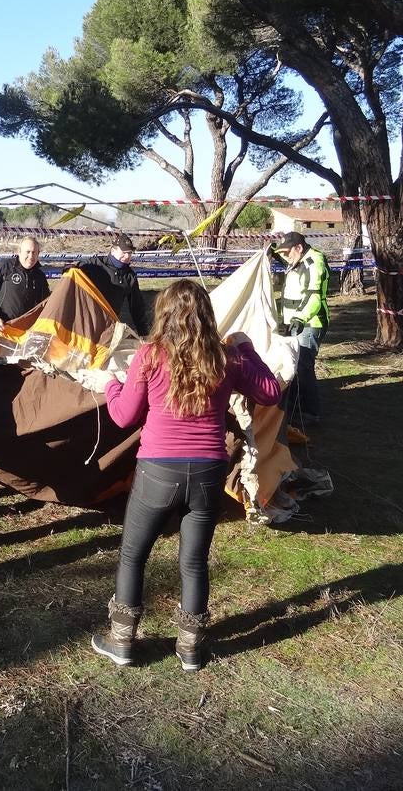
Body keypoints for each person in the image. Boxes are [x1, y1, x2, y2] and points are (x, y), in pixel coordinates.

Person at [87, 279, 280, 671]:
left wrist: (110, 384)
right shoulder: (227, 358)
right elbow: (271, 392)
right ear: (207, 315)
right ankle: (190, 648)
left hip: (158, 469)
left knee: (133, 554)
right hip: (208, 471)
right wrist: (246, 347)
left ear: (164, 314)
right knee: (194, 562)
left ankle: (122, 639)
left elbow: (123, 415)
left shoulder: (150, 355)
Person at [270, 231, 329, 427]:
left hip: (310, 323)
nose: (286, 257)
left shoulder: (314, 262)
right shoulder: (298, 259)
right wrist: (273, 252)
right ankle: (296, 407)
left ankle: (311, 412)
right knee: (293, 365)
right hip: (294, 321)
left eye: (288, 252)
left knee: (303, 367)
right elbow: (288, 263)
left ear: (298, 248)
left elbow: (313, 296)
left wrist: (299, 318)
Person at [0, 236, 49, 349]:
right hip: (1, 328)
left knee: (19, 365)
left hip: (24, 334)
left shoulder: (40, 276)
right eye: (28, 252)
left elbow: (46, 304)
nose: (31, 256)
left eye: (34, 252)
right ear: (19, 252)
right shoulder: (5, 267)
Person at [77, 233, 151, 333]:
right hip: (86, 322)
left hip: (109, 326)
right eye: (124, 252)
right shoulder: (94, 265)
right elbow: (73, 273)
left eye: (130, 253)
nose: (127, 256)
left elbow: (137, 307)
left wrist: (144, 333)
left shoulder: (130, 276)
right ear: (112, 251)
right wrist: (69, 269)